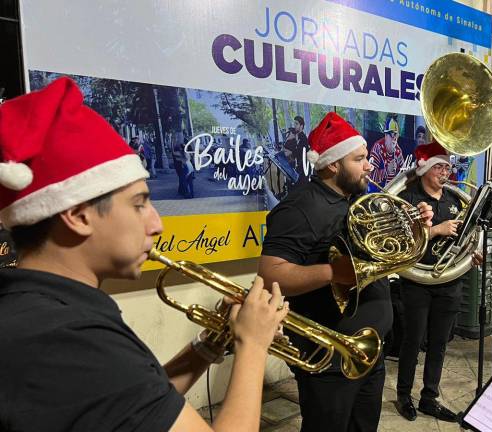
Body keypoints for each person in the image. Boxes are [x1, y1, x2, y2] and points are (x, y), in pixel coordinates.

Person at [0, 77, 288, 431]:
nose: (157, 224)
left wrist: (210, 343)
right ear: (77, 215)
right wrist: (254, 344)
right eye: (139, 204)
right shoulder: (68, 338)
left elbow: (138, 407)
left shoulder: (41, 312)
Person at [258, 112, 433, 432]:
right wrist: (333, 273)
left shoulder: (358, 199)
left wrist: (416, 226)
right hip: (329, 358)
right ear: (333, 164)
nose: (369, 165)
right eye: (360, 158)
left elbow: (382, 252)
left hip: (369, 350)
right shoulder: (299, 207)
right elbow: (271, 275)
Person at [393, 141, 482, 422]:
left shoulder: (455, 200)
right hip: (417, 282)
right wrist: (435, 232)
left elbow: (468, 234)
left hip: (449, 281)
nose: (446, 171)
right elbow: (398, 242)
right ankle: (404, 395)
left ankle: (429, 396)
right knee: (412, 340)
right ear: (425, 170)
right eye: (440, 167)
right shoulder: (406, 199)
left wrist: (473, 253)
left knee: (440, 342)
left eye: (447, 166)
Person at [369, 115, 405, 188]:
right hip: (378, 192)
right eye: (392, 134)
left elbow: (403, 172)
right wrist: (387, 170)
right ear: (386, 135)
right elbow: (371, 176)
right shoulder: (377, 148)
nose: (395, 138)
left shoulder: (398, 151)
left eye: (396, 135)